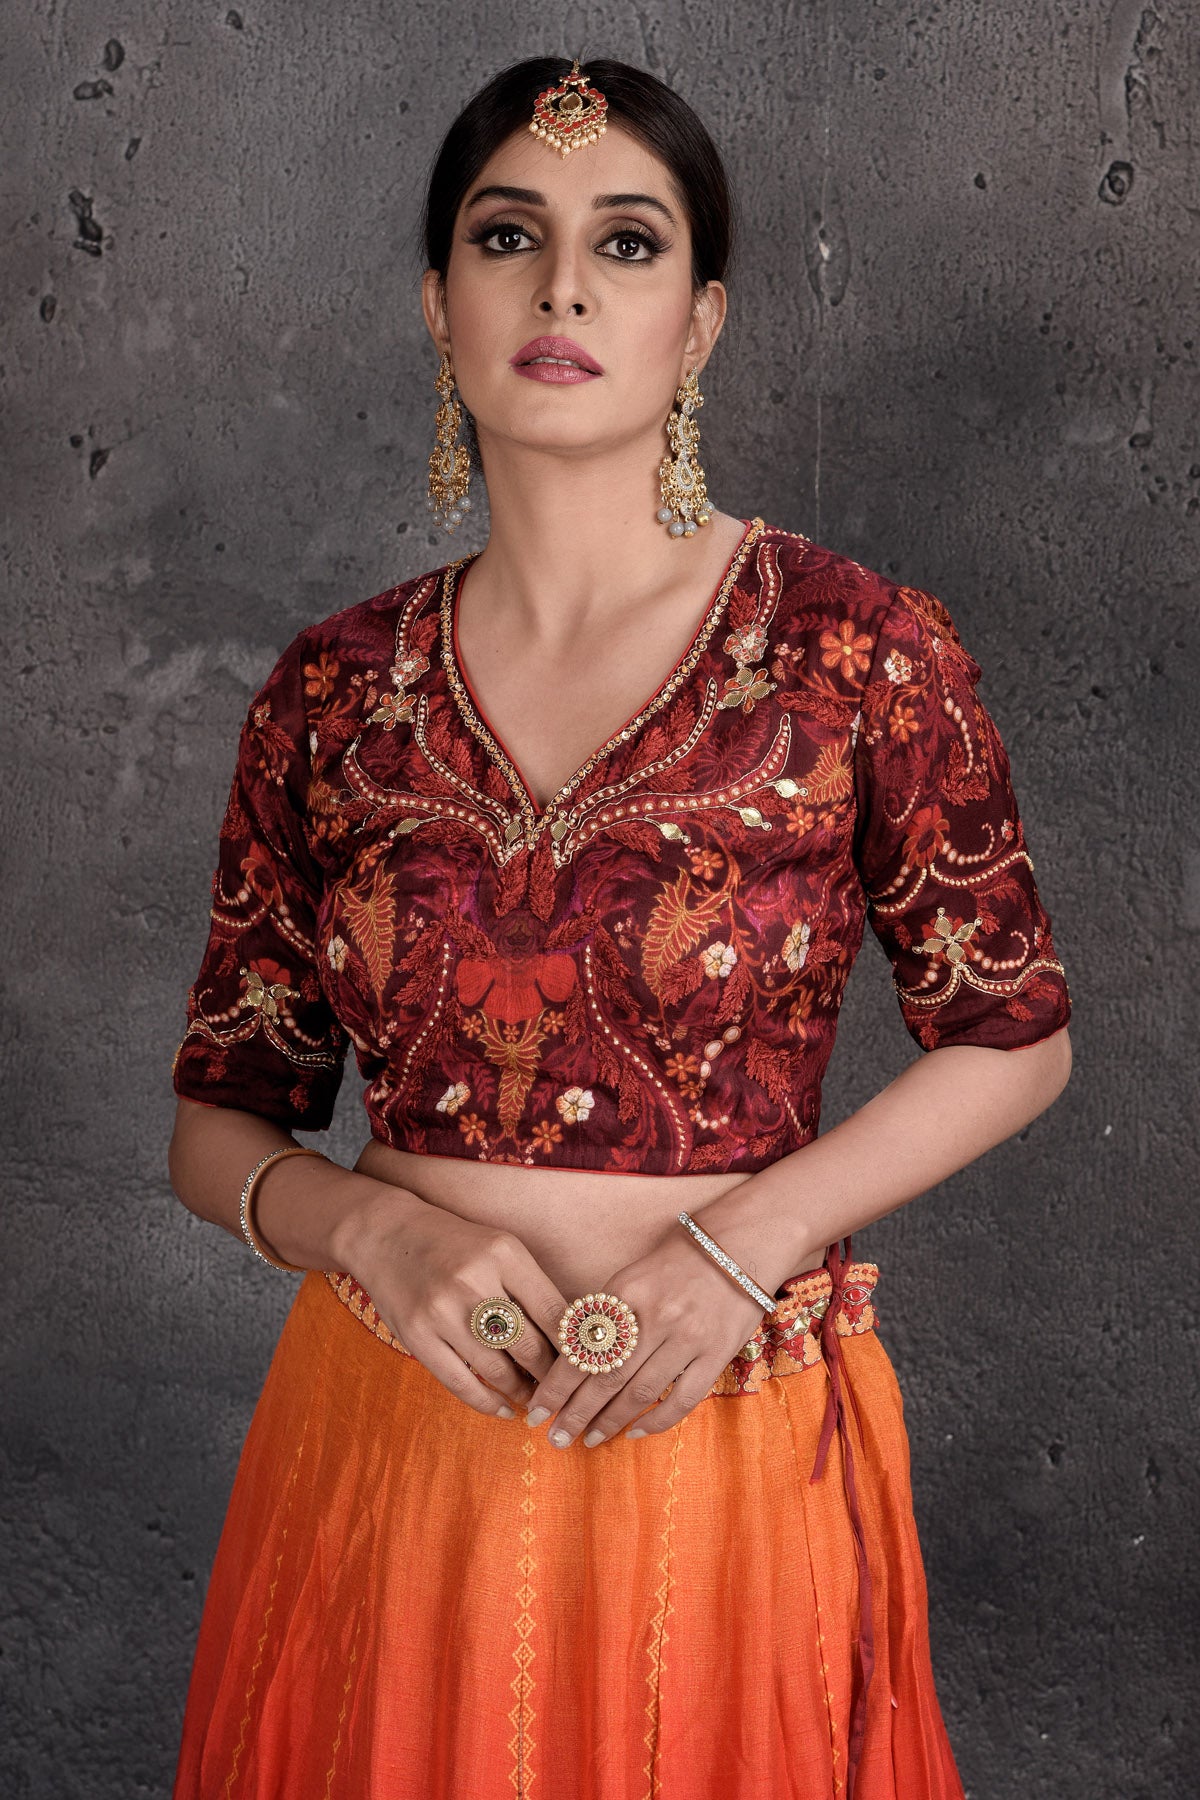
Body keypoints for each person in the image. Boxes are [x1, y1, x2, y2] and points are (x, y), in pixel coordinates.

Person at [167, 55, 1072, 1800]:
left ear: (702, 321)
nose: (564, 287)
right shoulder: (332, 694)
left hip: (727, 1432)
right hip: (394, 1443)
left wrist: (748, 1247)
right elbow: (221, 1123)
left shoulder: (853, 652)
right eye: (510, 237)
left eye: (629, 243)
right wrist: (372, 1232)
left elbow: (1014, 1035)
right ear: (440, 304)